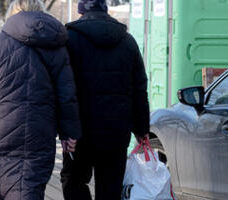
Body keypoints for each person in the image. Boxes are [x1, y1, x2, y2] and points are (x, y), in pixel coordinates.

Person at [0, 0, 81, 199]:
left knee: (4, 190)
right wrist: (70, 133)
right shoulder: (57, 47)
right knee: (31, 188)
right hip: (40, 133)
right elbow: (66, 95)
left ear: (13, 12)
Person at [60, 0, 150, 199]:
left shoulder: (69, 39)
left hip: (79, 131)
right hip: (116, 130)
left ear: (81, 10)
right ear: (105, 9)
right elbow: (139, 89)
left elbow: (62, 88)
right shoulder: (127, 41)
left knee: (74, 179)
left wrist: (64, 128)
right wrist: (142, 128)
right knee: (110, 186)